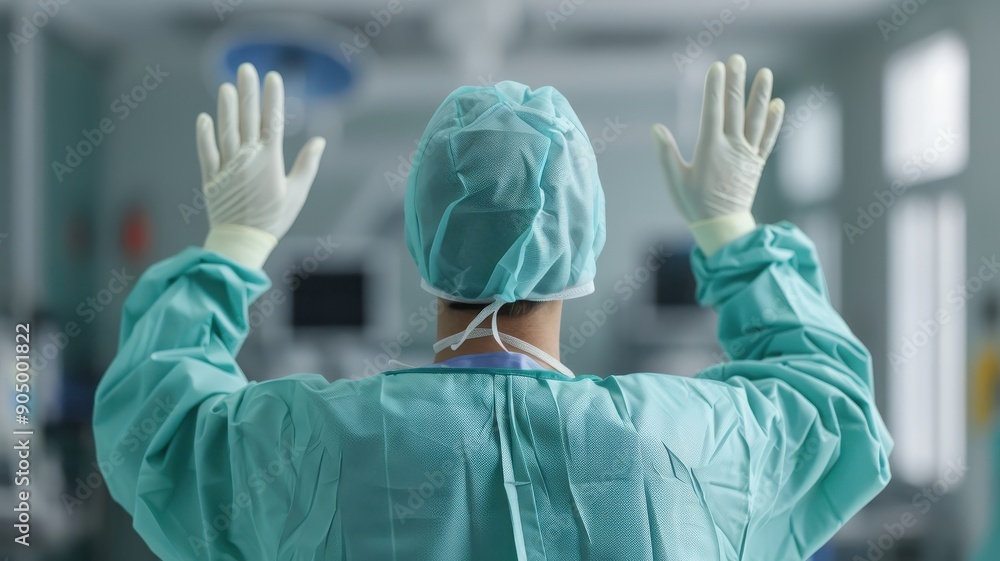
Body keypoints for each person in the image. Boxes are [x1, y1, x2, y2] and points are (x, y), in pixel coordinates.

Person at [92, 55, 892, 560]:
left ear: (422, 244)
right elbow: (835, 409)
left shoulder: (313, 444)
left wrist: (234, 241)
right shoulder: (682, 443)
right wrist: (731, 230)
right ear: (583, 250)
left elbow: (155, 432)